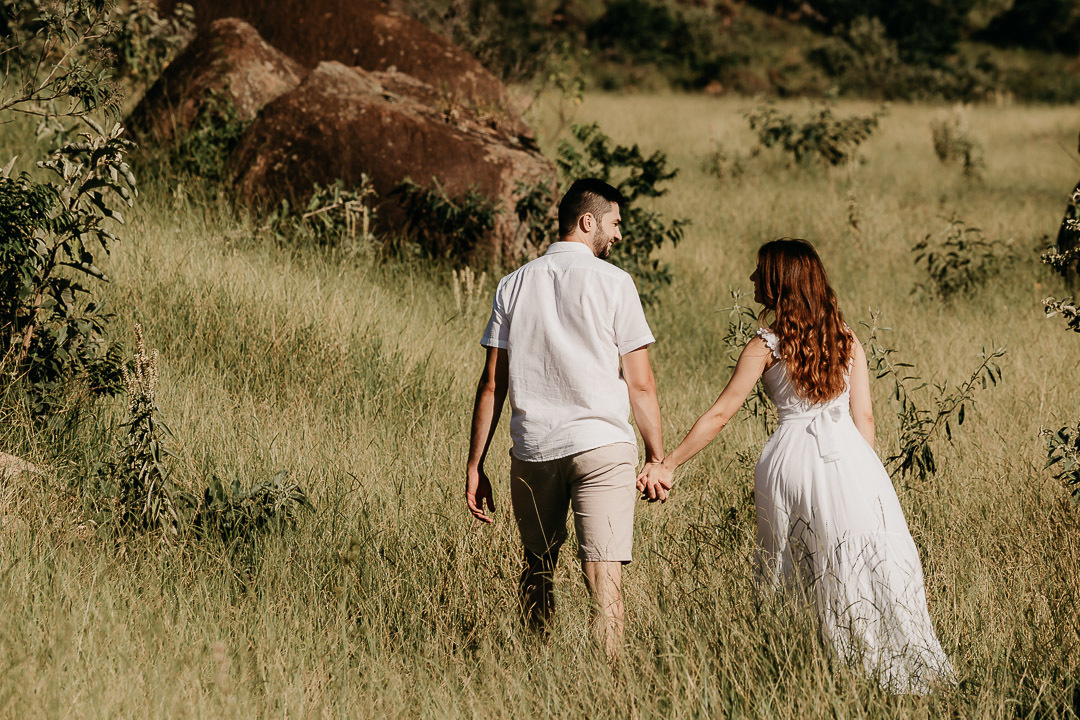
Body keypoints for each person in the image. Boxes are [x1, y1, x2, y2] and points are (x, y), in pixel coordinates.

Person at [638, 238, 955, 693]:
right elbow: (864, 417)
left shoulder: (765, 344)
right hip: (850, 457)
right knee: (861, 554)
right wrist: (863, 474)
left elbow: (721, 414)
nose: (751, 278)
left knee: (791, 561)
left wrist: (668, 463)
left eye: (759, 271)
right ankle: (877, 663)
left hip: (791, 460)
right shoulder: (847, 338)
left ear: (779, 282)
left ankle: (804, 664)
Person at [465, 178, 665, 657]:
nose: (618, 236)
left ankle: (539, 671)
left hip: (534, 449)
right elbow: (640, 383)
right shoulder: (615, 283)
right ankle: (607, 690)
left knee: (537, 569)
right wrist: (657, 455)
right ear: (587, 221)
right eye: (615, 224)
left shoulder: (513, 283)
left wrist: (475, 464)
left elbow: (493, 382)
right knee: (605, 583)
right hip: (602, 447)